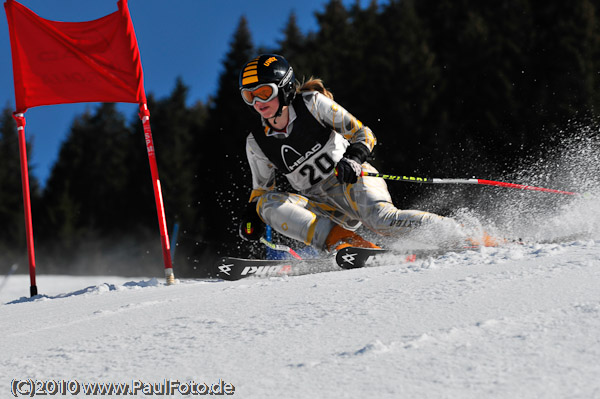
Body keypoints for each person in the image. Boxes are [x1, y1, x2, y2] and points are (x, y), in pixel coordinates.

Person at [237, 54, 485, 253]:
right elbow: (263, 190)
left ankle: (463, 235)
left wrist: (353, 159)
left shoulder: (312, 104)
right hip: (322, 204)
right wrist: (252, 216)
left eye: (264, 92)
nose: (257, 102)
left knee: (383, 221)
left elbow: (364, 134)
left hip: (351, 180)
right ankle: (349, 244)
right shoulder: (256, 142)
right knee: (266, 204)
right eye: (249, 95)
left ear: (285, 88)